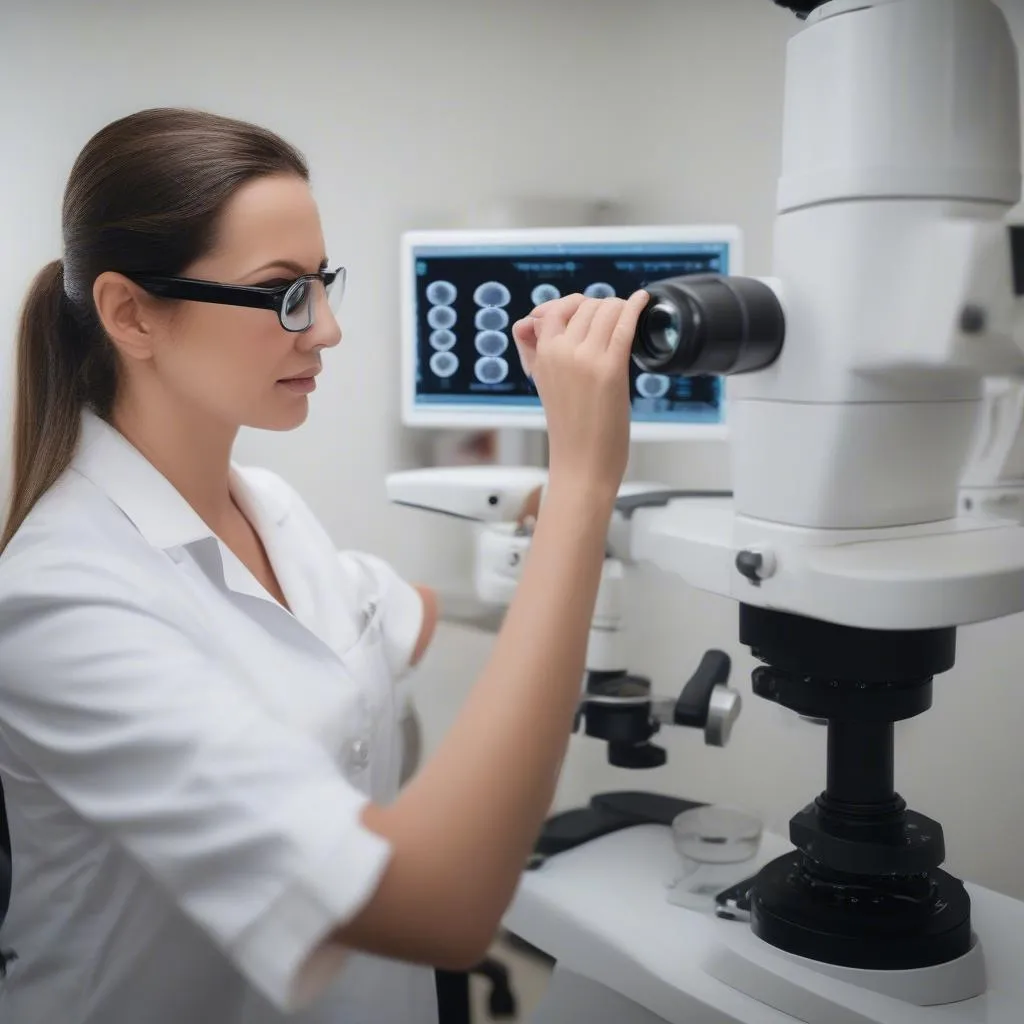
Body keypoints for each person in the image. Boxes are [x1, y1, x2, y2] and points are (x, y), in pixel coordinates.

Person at [0, 107, 647, 1024]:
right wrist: (581, 484)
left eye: (322, 281)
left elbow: (397, 610)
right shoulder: (57, 604)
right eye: (284, 294)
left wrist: (536, 514)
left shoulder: (270, 510)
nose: (328, 329)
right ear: (130, 313)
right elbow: (443, 909)